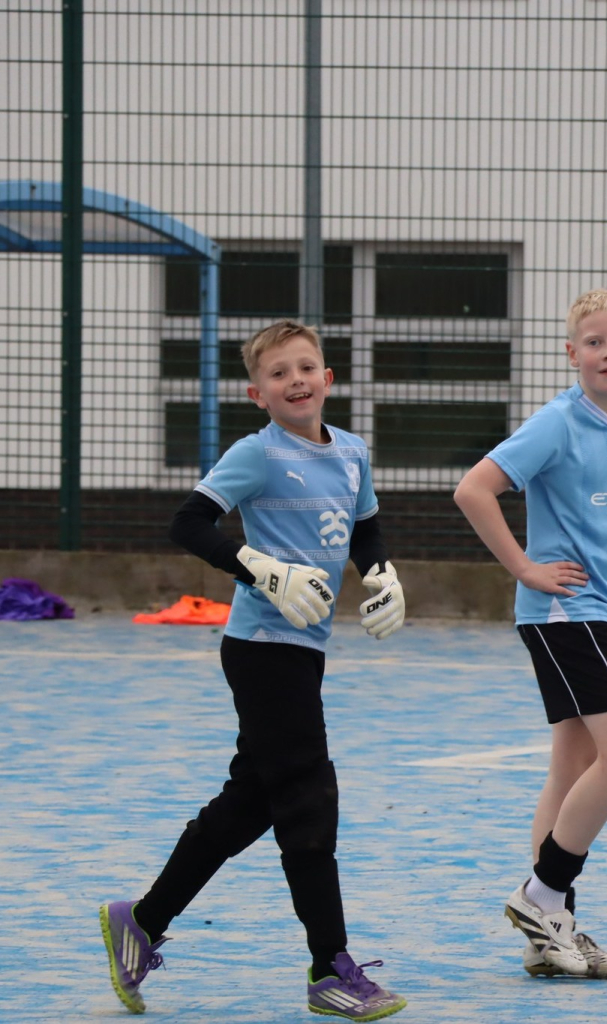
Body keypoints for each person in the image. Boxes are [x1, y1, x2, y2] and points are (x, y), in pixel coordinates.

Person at [99, 320, 408, 1020]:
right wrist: (258, 568)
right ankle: (330, 967)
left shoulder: (353, 452)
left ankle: (141, 922)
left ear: (328, 379)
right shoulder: (257, 454)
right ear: (257, 393)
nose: (295, 379)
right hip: (262, 648)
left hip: (306, 649)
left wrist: (383, 574)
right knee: (309, 796)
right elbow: (188, 523)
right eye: (278, 373)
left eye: (307, 367)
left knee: (253, 801)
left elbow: (365, 529)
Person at [453, 289, 607, 978]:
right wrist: (523, 567)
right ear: (571, 353)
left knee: (572, 765)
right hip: (563, 613)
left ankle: (553, 932)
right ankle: (541, 894)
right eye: (594, 341)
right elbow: (473, 489)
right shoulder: (555, 423)